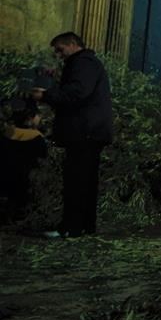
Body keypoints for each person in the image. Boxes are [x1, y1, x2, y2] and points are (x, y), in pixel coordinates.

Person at [31, 32, 113, 238]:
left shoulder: (83, 63)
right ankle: (84, 226)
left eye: (60, 49)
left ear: (73, 44)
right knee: (85, 180)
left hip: (84, 130)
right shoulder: (87, 63)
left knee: (76, 180)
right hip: (90, 130)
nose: (59, 55)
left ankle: (71, 227)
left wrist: (46, 95)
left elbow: (77, 92)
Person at [0, 99, 47, 223]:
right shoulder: (36, 137)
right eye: (38, 115)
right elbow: (43, 157)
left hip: (5, 179)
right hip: (25, 182)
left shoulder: (6, 133)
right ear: (31, 117)